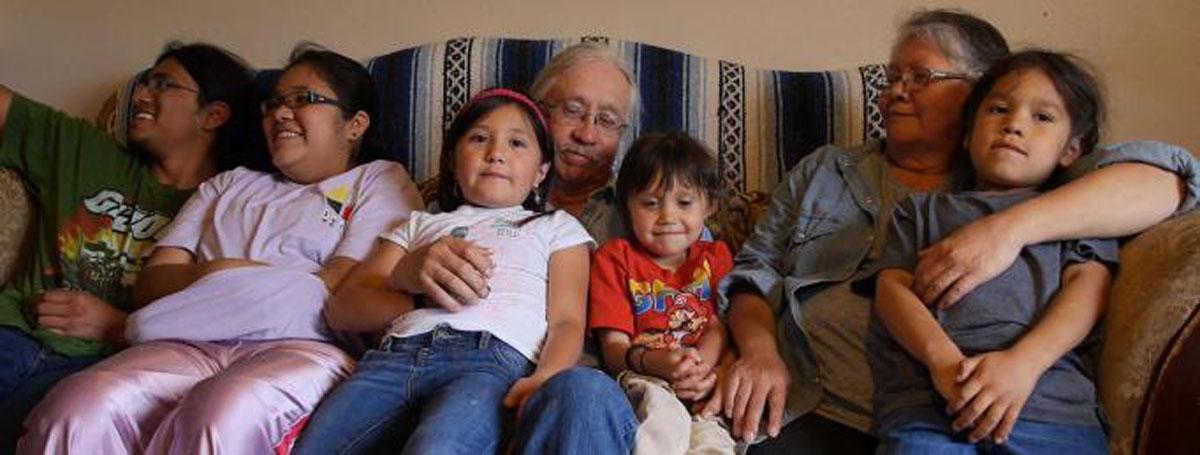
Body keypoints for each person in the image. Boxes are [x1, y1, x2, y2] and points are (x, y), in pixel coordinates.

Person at [718, 8, 1198, 454]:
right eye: (893, 78)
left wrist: (1008, 230)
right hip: (808, 402)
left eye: (920, 77)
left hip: (982, 407)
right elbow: (756, 269)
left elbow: (1174, 177)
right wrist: (759, 352)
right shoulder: (828, 168)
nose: (894, 92)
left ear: (976, 90)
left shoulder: (1045, 174)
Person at [20, 45, 423, 454]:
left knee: (222, 411)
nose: (280, 113)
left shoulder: (378, 181)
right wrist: (219, 272)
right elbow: (152, 285)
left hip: (303, 346)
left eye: (303, 99)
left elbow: (336, 287)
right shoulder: (228, 184)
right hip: (184, 343)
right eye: (273, 103)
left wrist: (212, 281)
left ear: (355, 124)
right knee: (78, 405)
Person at [292, 87, 593, 454]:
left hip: (487, 363)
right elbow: (343, 310)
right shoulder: (419, 224)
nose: (496, 153)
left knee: (437, 448)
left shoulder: (556, 227)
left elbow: (567, 321)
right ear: (452, 160)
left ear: (540, 172)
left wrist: (545, 376)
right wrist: (408, 281)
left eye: (516, 143)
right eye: (479, 138)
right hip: (391, 360)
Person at [0, 42, 256, 452]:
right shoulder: (85, 151)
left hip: (103, 370)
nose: (140, 95)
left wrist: (118, 325)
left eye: (163, 84)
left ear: (213, 115)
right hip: (14, 332)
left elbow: (228, 327)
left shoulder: (237, 208)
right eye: (144, 83)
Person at [863, 50, 1114, 453]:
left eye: (1042, 117)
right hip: (932, 407)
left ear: (1071, 150)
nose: (1014, 125)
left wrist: (1023, 364)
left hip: (1049, 408)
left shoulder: (1075, 214)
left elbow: (1090, 288)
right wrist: (943, 361)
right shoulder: (922, 210)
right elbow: (891, 289)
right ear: (966, 135)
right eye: (998, 109)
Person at [396, 43, 641, 453]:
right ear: (537, 112)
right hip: (460, 378)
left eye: (607, 120)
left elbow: (698, 293)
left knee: (581, 391)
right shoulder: (458, 206)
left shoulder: (651, 207)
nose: (587, 134)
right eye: (573, 111)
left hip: (580, 401)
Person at [589, 131, 736, 454]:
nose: (668, 216)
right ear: (626, 206)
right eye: (650, 203)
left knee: (714, 442)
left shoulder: (716, 257)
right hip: (646, 379)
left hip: (703, 383)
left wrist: (698, 368)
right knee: (662, 421)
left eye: (684, 202)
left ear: (709, 205)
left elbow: (719, 326)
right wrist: (658, 363)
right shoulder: (615, 259)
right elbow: (613, 349)